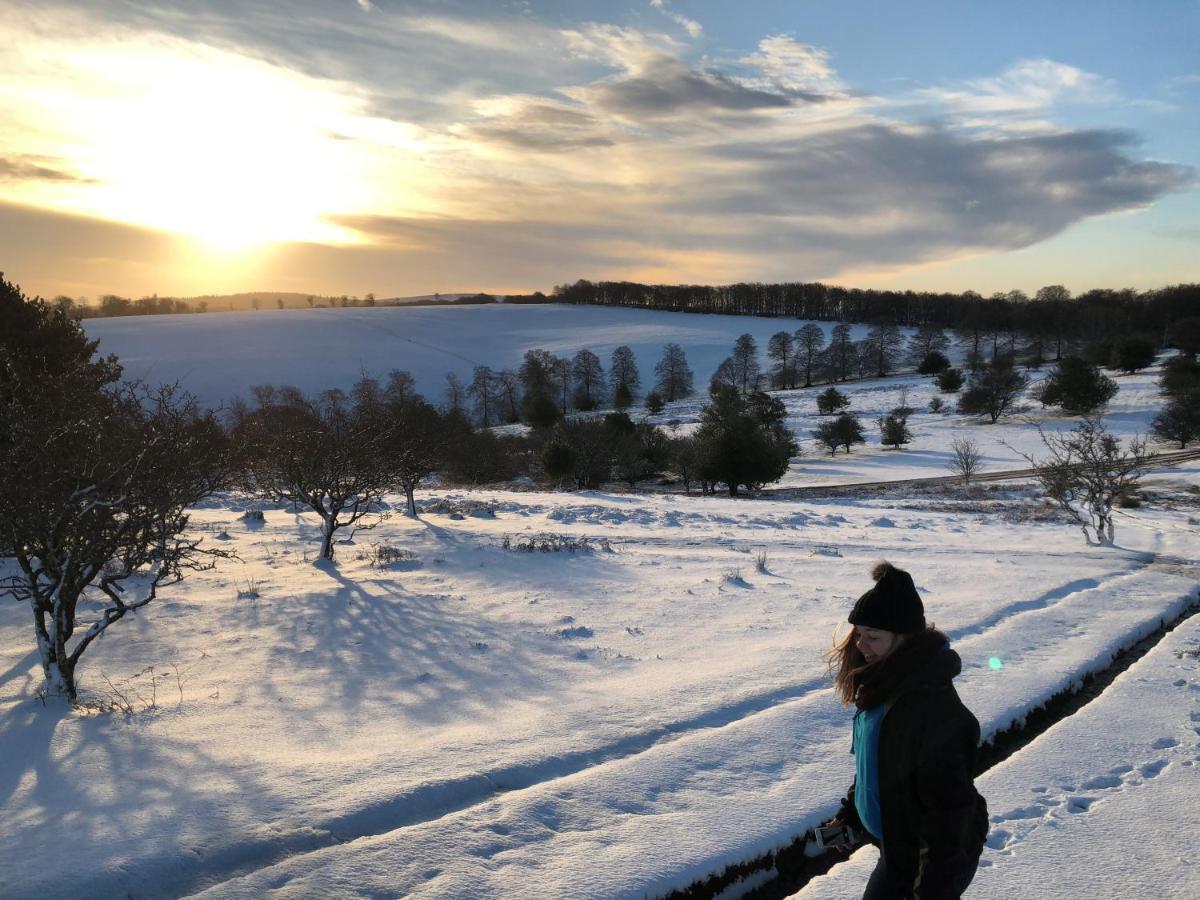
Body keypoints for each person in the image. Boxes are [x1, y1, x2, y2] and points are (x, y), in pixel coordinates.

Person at [825, 561, 988, 899]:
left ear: (905, 639)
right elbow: (880, 767)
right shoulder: (881, 689)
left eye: (872, 637)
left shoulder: (929, 707)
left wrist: (929, 890)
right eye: (857, 635)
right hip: (898, 846)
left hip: (927, 858)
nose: (860, 646)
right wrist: (853, 816)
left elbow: (949, 813)